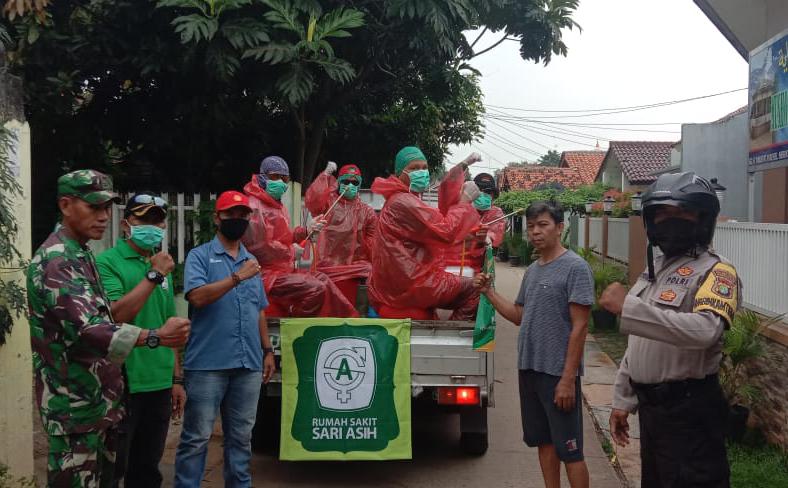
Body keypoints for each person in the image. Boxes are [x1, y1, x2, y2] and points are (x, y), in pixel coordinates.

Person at [27, 169, 190, 488]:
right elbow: (95, 329)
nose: (103, 217)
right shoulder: (58, 261)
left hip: (97, 405)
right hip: (75, 410)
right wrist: (157, 336)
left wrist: (175, 375)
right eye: (93, 207)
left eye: (106, 208)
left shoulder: (81, 253)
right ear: (65, 205)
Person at [599, 172, 740, 487]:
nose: (668, 220)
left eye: (679, 212)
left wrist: (630, 308)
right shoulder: (654, 271)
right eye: (660, 213)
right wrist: (623, 400)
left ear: (702, 218)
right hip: (653, 413)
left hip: (690, 413)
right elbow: (640, 343)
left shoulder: (717, 271)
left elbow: (706, 331)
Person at [474, 201, 593, 488]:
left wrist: (567, 378)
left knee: (571, 451)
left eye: (543, 225)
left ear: (560, 228)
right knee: (543, 442)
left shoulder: (576, 268)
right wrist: (489, 293)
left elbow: (580, 327)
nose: (535, 232)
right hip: (529, 370)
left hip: (557, 374)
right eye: (531, 227)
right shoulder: (533, 270)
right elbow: (519, 316)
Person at [174, 190, 276, 488]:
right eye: (231, 214)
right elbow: (197, 297)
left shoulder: (251, 261)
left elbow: (258, 310)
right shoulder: (200, 256)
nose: (238, 220)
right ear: (217, 217)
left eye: (243, 215)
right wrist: (236, 278)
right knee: (197, 438)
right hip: (208, 364)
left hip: (248, 364)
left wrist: (267, 350)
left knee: (242, 439)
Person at [95, 192, 184, 488]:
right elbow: (116, 316)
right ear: (125, 224)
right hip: (123, 383)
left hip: (159, 382)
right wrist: (155, 274)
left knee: (147, 469)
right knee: (113, 468)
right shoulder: (107, 262)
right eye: (143, 219)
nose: (152, 226)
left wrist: (176, 379)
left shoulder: (163, 266)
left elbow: (170, 325)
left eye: (158, 221)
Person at [367, 146, 483, 320]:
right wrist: (465, 202)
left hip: (404, 280)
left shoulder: (403, 199)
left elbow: (442, 211)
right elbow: (446, 230)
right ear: (400, 173)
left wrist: (463, 165)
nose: (421, 172)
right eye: (414, 168)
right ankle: (451, 339)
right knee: (476, 289)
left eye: (424, 168)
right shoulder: (404, 202)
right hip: (410, 284)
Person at [241, 155, 358, 317]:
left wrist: (306, 230)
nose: (281, 182)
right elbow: (260, 248)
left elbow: (285, 236)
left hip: (283, 269)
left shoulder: (275, 205)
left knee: (322, 279)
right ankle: (297, 326)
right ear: (262, 177)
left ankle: (349, 322)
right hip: (265, 275)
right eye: (275, 177)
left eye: (285, 178)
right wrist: (290, 251)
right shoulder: (254, 207)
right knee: (315, 287)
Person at [303, 161, 377, 299]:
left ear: (360, 184)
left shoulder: (367, 212)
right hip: (326, 269)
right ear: (339, 182)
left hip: (356, 272)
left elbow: (373, 245)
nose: (350, 185)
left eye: (355, 183)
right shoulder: (327, 204)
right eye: (346, 181)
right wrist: (325, 175)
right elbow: (312, 201)